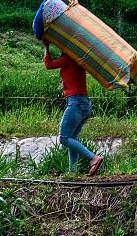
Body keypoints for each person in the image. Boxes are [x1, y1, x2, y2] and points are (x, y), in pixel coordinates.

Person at [43, 42, 103, 176]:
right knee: (72, 138)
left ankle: (92, 158)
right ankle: (72, 172)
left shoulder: (68, 58)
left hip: (76, 103)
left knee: (64, 139)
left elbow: (49, 65)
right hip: (85, 104)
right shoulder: (79, 60)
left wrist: (46, 47)